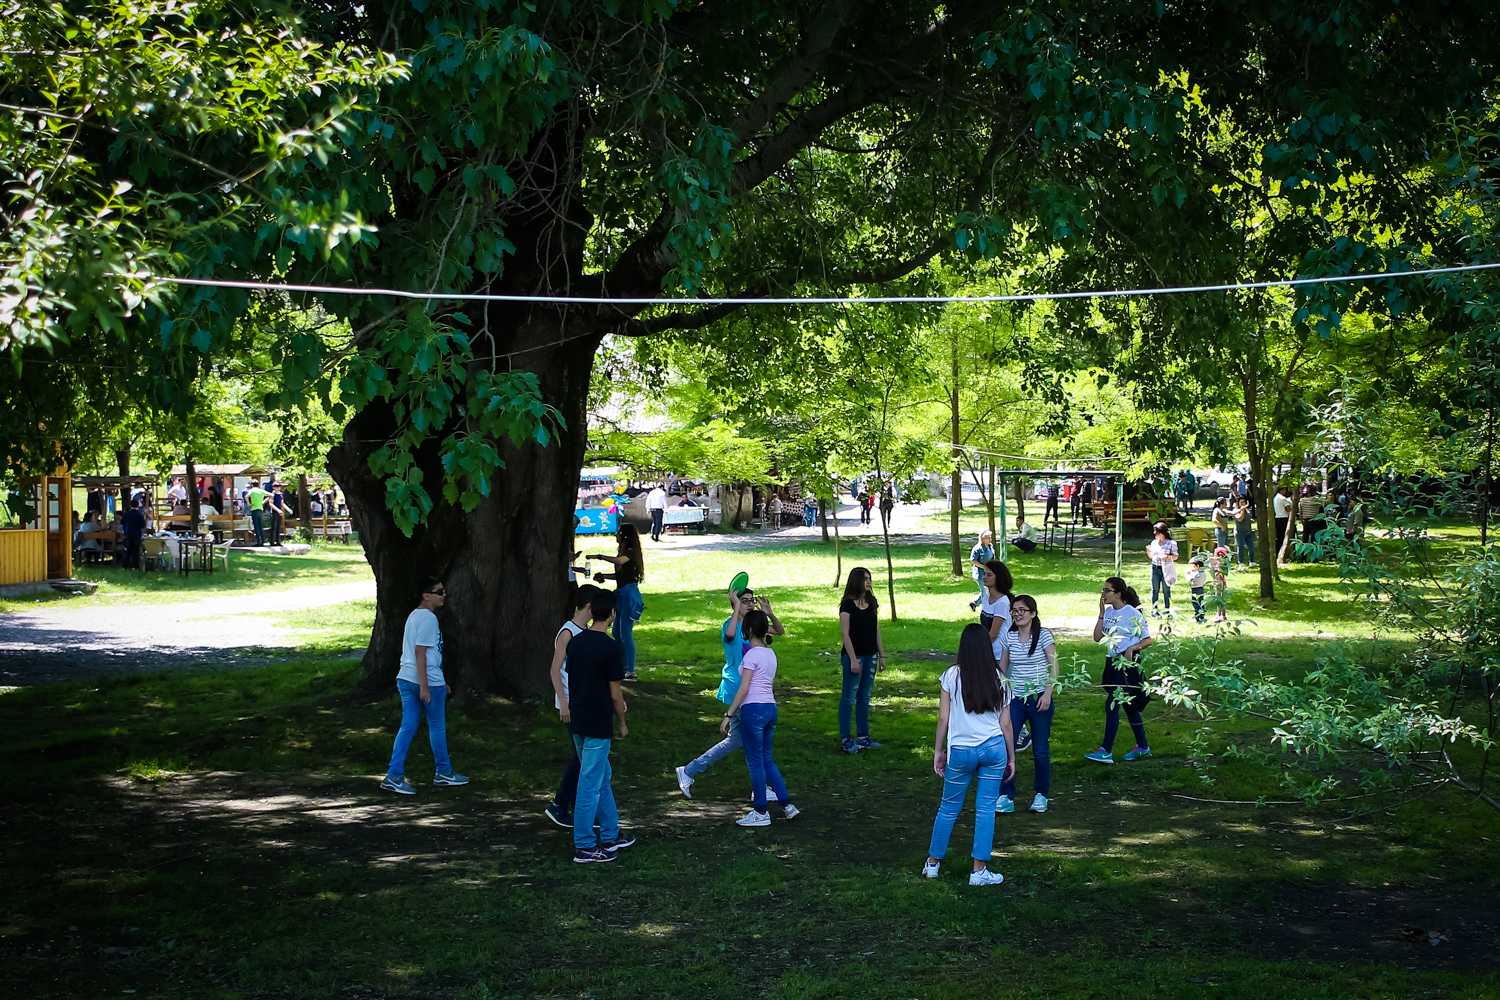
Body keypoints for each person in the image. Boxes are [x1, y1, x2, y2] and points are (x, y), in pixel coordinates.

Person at [922, 623, 1014, 887]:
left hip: (960, 751)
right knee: (986, 809)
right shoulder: (1001, 679)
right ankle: (979, 870)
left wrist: (939, 750)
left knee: (948, 807)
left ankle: (932, 863)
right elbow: (1006, 725)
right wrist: (1011, 757)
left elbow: (943, 717)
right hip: (994, 749)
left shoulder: (951, 676)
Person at [676, 587, 784, 800]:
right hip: (738, 691)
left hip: (750, 696)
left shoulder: (754, 627)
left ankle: (689, 771)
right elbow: (731, 634)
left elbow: (779, 631)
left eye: (751, 600)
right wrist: (736, 607)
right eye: (744, 601)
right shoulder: (732, 625)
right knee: (752, 744)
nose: (750, 604)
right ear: (735, 604)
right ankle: (690, 771)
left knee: (740, 741)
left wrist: (769, 612)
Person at [562, 588, 635, 863]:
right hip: (597, 723)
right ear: (613, 614)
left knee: (601, 776)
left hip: (578, 720)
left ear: (591, 610)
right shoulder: (610, 647)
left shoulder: (576, 642)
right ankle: (584, 845)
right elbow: (615, 693)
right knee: (590, 783)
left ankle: (610, 833)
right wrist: (622, 722)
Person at [380, 577, 468, 794]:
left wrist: (438, 680)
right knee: (436, 726)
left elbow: (427, 654)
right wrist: (426, 686)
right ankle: (444, 773)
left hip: (406, 677)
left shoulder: (414, 616)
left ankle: (394, 775)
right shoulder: (429, 619)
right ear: (426, 595)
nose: (444, 595)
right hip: (424, 680)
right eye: (439, 592)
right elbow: (421, 652)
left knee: (407, 726)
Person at [719, 608, 800, 827]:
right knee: (766, 758)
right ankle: (787, 806)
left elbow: (744, 688)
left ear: (750, 630)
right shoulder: (770, 654)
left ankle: (761, 812)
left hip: (753, 711)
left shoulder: (751, 655)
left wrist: (728, 714)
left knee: (755, 762)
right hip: (770, 709)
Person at [545, 584, 600, 828]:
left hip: (582, 701)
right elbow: (555, 670)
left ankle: (577, 807)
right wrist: (564, 704)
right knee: (582, 758)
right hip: (571, 703)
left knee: (583, 757)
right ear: (589, 606)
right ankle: (560, 805)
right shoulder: (568, 632)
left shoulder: (585, 630)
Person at [996, 595, 1057, 814]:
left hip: (1040, 697)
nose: (1017, 614)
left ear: (1033, 613)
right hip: (1016, 699)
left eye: (1022, 610)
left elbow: (1054, 667)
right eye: (1014, 610)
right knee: (1006, 745)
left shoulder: (1043, 636)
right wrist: (1002, 695)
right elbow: (1002, 670)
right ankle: (1006, 795)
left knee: (1040, 749)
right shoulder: (1009, 637)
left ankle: (1041, 795)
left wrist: (1048, 693)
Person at [1085, 577, 1155, 764]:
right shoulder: (1108, 612)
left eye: (1107, 590)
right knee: (1129, 705)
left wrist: (1132, 648)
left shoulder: (1131, 613)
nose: (1103, 594)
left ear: (1118, 594)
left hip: (1127, 663)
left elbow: (1148, 639)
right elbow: (1097, 637)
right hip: (1113, 661)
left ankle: (1106, 750)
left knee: (1113, 703)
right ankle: (1142, 746)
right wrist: (1101, 614)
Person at [838, 566, 885, 754]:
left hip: (871, 655)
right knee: (848, 698)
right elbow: (845, 633)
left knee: (864, 697)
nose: (869, 582)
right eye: (865, 578)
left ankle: (863, 737)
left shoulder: (872, 602)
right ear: (856, 581)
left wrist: (881, 654)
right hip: (854, 656)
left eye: (870, 578)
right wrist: (852, 659)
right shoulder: (847, 604)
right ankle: (845, 739)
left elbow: (876, 630)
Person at [589, 523, 644, 681]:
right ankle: (622, 667)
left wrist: (599, 557)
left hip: (628, 596)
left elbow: (620, 561)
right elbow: (620, 576)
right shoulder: (624, 553)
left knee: (626, 634)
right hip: (620, 594)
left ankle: (631, 671)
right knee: (616, 633)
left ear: (625, 536)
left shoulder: (631, 553)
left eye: (618, 533)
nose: (616, 536)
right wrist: (603, 576)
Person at [1146, 521, 1178, 617]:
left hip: (1166, 569)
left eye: (1156, 532)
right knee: (1155, 589)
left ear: (1162, 532)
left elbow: (1176, 556)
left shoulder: (1171, 543)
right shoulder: (1154, 543)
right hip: (1155, 568)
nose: (1154, 533)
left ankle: (1167, 610)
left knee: (1166, 589)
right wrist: (1148, 551)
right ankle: (1154, 610)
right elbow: (1152, 557)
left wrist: (1167, 557)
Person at [967, 530, 995, 611]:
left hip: (988, 573)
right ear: (982, 539)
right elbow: (973, 560)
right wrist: (983, 567)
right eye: (987, 538)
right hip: (980, 574)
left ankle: (974, 603)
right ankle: (986, 609)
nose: (990, 540)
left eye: (990, 538)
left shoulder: (990, 546)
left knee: (986, 591)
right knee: (985, 592)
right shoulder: (977, 548)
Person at [121, 498, 147, 569]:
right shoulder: (139, 514)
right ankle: (135, 566)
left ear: (130, 505)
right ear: (138, 505)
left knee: (128, 550)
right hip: (136, 534)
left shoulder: (127, 514)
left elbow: (122, 521)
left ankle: (125, 565)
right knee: (136, 551)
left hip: (128, 533)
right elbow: (142, 525)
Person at [1233, 495, 1255, 569]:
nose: (1243, 504)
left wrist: (1250, 520)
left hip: (1248, 531)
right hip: (1240, 532)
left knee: (1251, 547)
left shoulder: (1246, 509)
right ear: (1238, 503)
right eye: (1241, 502)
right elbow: (1240, 519)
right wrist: (1242, 509)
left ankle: (1252, 562)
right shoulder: (1235, 510)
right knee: (1241, 547)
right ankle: (1241, 563)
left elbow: (1249, 516)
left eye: (1244, 502)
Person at [245, 479, 270, 546]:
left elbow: (246, 496)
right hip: (260, 509)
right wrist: (264, 501)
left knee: (256, 526)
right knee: (260, 526)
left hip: (254, 509)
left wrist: (249, 504)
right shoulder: (261, 491)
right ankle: (263, 541)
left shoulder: (251, 491)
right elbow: (271, 495)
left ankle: (258, 542)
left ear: (252, 485)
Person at [1272, 486, 1292, 561]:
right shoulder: (1283, 498)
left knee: (1279, 536)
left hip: (1277, 517)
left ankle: (1277, 552)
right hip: (1283, 518)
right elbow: (1288, 508)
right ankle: (1283, 553)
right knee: (1283, 536)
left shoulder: (1275, 498)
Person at [1186, 556, 1208, 623]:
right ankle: (1202, 616)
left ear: (1198, 566)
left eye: (1195, 566)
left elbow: (1189, 580)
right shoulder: (1203, 573)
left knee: (1196, 603)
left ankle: (1197, 617)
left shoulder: (1196, 574)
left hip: (1195, 590)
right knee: (1201, 603)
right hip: (1201, 589)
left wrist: (1187, 574)